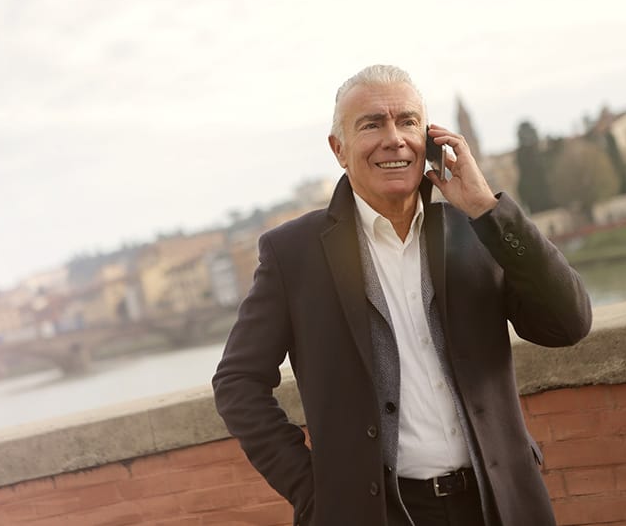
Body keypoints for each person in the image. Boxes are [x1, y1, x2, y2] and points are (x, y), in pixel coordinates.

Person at [211, 65, 592, 526]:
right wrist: (313, 490)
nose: (394, 138)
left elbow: (568, 324)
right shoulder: (293, 253)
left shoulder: (476, 229)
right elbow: (237, 382)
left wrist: (489, 210)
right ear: (339, 149)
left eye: (408, 121)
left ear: (429, 139)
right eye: (371, 124)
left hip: (501, 504)